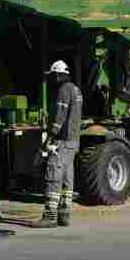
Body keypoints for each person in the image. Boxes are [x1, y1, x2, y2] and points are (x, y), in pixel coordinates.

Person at [36, 60, 83, 228]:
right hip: (73, 141)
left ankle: (49, 216)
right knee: (67, 179)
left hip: (62, 141)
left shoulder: (64, 90)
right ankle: (64, 215)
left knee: (53, 174)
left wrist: (50, 136)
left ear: (58, 75)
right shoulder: (76, 90)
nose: (52, 80)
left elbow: (59, 117)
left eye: (53, 76)